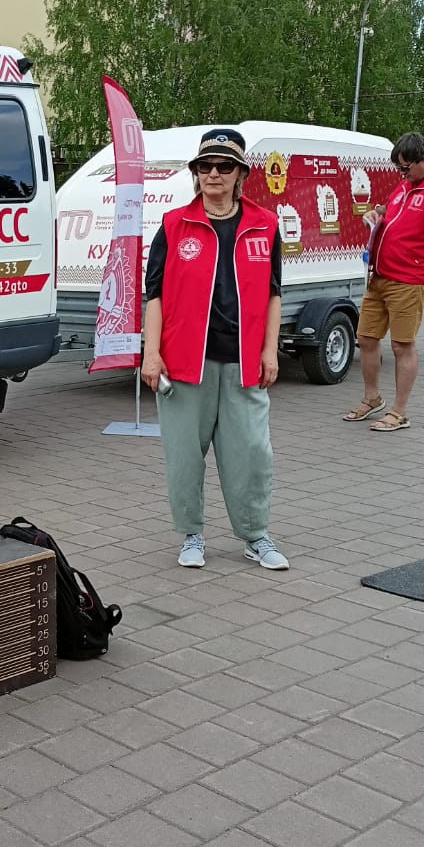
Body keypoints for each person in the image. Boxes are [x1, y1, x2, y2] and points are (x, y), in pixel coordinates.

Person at [140, 127, 289, 572]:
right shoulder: (173, 225)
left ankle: (255, 535)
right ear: (195, 173)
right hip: (186, 362)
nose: (214, 174)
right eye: (205, 166)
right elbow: (155, 296)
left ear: (241, 173)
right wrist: (151, 353)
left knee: (251, 453)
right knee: (185, 455)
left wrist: (271, 351)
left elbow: (274, 293)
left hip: (243, 361)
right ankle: (191, 534)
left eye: (224, 167)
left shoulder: (265, 224)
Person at [344, 131, 424, 433]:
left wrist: (406, 251)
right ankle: (372, 398)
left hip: (408, 279)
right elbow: (393, 214)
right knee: (366, 339)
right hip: (379, 276)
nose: (402, 174)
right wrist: (379, 213)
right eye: (399, 169)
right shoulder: (406, 187)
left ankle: (399, 411)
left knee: (401, 346)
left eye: (406, 168)